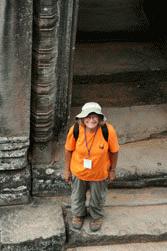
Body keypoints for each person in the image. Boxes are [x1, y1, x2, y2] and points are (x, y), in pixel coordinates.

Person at [64, 102, 119, 231]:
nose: (91, 120)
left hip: (99, 173)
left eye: (94, 116)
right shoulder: (76, 129)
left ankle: (96, 216)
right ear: (82, 118)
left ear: (100, 118)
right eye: (88, 117)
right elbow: (68, 150)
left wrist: (113, 170)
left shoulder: (108, 130)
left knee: (98, 197)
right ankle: (78, 215)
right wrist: (67, 170)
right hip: (79, 171)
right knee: (77, 196)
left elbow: (114, 151)